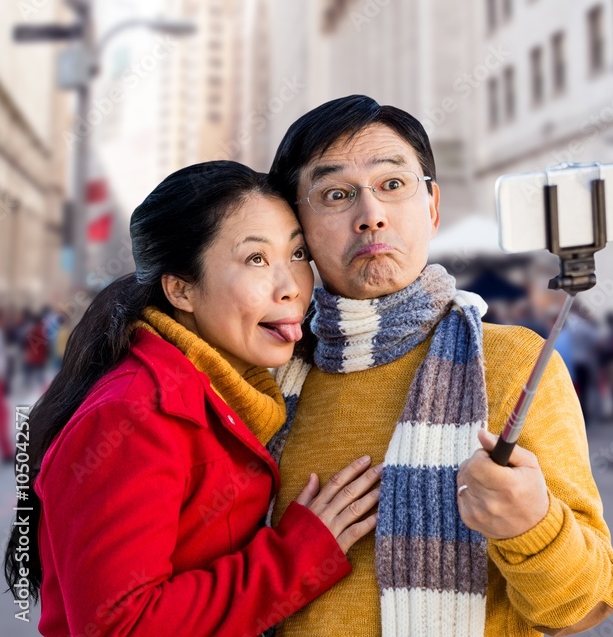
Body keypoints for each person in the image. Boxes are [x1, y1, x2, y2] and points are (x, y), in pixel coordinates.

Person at [267, 95, 613, 637]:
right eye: (336, 194)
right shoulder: (265, 378)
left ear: (432, 207)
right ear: (298, 233)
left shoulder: (514, 364)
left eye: (392, 184)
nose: (372, 215)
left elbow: (586, 604)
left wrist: (532, 525)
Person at [3, 161, 382, 637]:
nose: (291, 288)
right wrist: (297, 556)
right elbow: (119, 626)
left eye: (298, 253)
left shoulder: (229, 390)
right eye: (256, 260)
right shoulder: (133, 415)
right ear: (181, 289)